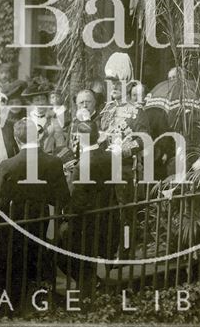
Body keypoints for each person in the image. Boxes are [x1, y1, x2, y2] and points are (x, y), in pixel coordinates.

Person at [0, 118, 70, 297]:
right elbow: (63, 198)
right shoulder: (54, 162)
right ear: (38, 137)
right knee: (38, 257)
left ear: (17, 141)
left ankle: (18, 297)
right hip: (43, 221)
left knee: (18, 263)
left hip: (14, 224)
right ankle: (42, 293)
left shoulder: (7, 165)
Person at [61, 120, 119, 295]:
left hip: (85, 223)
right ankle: (93, 282)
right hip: (106, 217)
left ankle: (89, 283)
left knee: (56, 244)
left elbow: (78, 202)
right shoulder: (111, 157)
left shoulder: (82, 165)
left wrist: (65, 215)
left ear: (79, 138)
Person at [99, 52, 150, 204]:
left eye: (117, 82)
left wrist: (123, 150)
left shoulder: (137, 111)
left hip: (125, 171)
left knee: (124, 214)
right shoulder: (106, 109)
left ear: (127, 84)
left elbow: (144, 139)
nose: (113, 86)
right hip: (104, 169)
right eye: (111, 82)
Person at [22, 82, 67, 157]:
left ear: (47, 101)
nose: (41, 103)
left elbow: (60, 143)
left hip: (48, 158)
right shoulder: (27, 119)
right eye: (37, 100)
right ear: (32, 102)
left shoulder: (54, 119)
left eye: (43, 99)